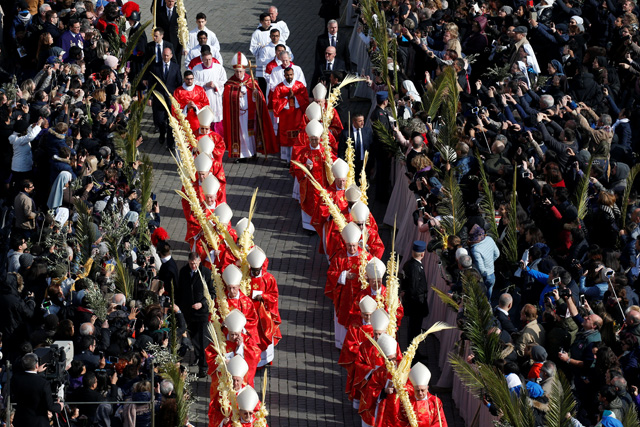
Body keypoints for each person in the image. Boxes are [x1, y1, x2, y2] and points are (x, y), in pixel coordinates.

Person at [222, 52, 277, 161]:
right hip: (237, 115)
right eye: (236, 71)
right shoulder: (230, 83)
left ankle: (252, 153)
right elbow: (226, 97)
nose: (238, 74)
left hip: (250, 113)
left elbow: (259, 98)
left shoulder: (251, 81)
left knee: (251, 133)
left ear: (244, 70)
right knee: (240, 134)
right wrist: (236, 94)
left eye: (240, 71)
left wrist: (256, 94)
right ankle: (241, 155)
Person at [176, 252, 214, 377]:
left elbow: (212, 293)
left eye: (195, 263)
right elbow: (180, 290)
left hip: (202, 313)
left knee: (203, 340)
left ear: (199, 262)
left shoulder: (206, 273)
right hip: (189, 312)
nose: (193, 266)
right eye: (191, 263)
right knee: (194, 338)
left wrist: (202, 303)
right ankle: (198, 356)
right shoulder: (183, 272)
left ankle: (203, 366)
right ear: (188, 262)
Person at [11, 353, 62, 427]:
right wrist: (59, 406)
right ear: (36, 365)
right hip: (39, 422)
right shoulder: (43, 383)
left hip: (21, 421)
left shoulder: (15, 379)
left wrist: (37, 372)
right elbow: (50, 405)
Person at [271, 67, 309, 162]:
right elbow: (275, 102)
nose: (289, 77)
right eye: (287, 75)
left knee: (297, 137)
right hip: (286, 117)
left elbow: (305, 100)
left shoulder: (299, 86)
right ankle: (288, 159)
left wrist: (295, 97)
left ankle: (298, 158)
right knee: (286, 137)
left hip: (297, 115)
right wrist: (286, 99)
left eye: (291, 75)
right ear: (284, 75)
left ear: (293, 75)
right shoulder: (279, 87)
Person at [151, 47, 182, 150]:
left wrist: (177, 98)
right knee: (159, 120)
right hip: (159, 99)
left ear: (171, 56)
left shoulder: (176, 67)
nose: (165, 57)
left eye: (167, 55)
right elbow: (152, 83)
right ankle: (162, 132)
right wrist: (151, 97)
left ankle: (170, 144)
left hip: (171, 100)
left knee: (171, 123)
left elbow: (179, 83)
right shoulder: (156, 67)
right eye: (164, 55)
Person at [401, 240, 430, 349]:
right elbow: (413, 288)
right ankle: (414, 352)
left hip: (414, 304)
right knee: (415, 329)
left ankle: (414, 350)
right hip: (416, 305)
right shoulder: (416, 268)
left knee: (414, 328)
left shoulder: (408, 264)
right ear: (422, 254)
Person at [192, 50, 227, 135]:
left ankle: (218, 139)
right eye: (206, 60)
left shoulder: (218, 68)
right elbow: (193, 83)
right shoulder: (196, 69)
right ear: (202, 59)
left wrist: (215, 85)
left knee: (216, 119)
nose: (208, 62)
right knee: (204, 120)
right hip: (203, 100)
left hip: (215, 98)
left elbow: (224, 81)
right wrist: (204, 84)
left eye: (210, 59)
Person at [173, 70, 210, 135]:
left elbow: (205, 103)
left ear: (193, 78)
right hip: (184, 120)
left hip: (197, 119)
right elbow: (175, 107)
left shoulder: (200, 89)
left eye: (191, 79)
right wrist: (186, 107)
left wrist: (195, 106)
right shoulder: (178, 91)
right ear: (184, 79)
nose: (189, 81)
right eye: (187, 79)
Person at [249, 13, 275, 93]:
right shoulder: (257, 33)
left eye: (269, 20)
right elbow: (252, 48)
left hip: (273, 62)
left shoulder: (273, 30)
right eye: (266, 20)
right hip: (262, 63)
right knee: (263, 87)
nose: (268, 22)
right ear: (261, 21)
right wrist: (262, 48)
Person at [154, 0, 184, 65]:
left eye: (172, 1)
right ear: (165, 1)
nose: (171, 3)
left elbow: (184, 27)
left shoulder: (179, 11)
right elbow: (157, 25)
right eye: (169, 1)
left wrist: (184, 45)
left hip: (176, 43)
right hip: (165, 41)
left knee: (176, 62)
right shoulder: (160, 11)